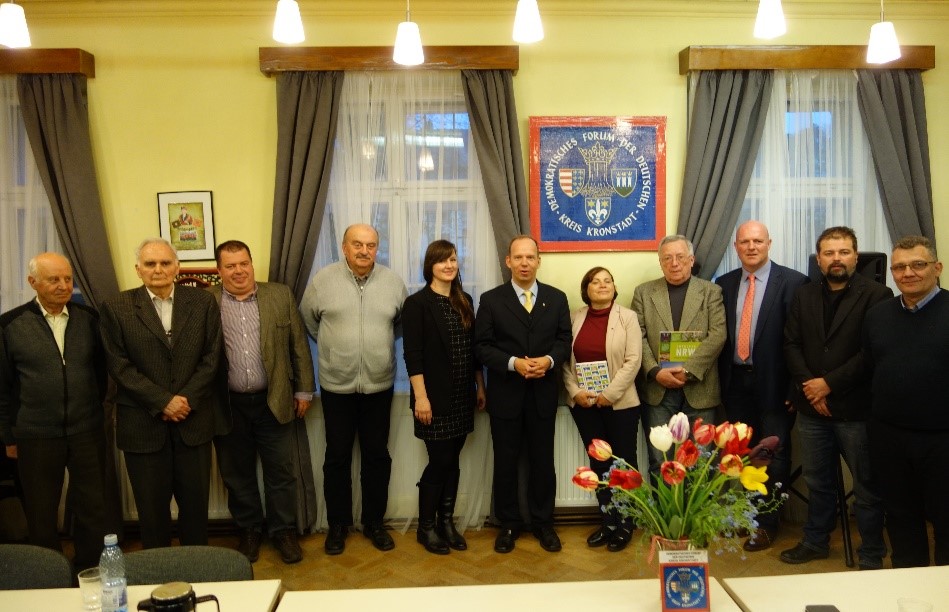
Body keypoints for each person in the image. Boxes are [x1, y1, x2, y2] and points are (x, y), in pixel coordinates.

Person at [100, 238, 223, 548]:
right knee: (152, 515)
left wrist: (185, 400)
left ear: (177, 267)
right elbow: (119, 366)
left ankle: (196, 571)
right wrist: (163, 401)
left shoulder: (203, 303)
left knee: (195, 512)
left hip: (192, 424)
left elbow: (212, 358)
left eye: (165, 263)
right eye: (150, 264)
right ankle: (157, 577)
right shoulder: (116, 308)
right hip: (143, 426)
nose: (158, 269)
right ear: (138, 270)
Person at [781, 226, 891, 568]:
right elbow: (792, 344)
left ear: (856, 256)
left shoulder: (878, 295)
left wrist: (828, 384)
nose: (836, 259)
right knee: (818, 481)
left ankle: (872, 551)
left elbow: (869, 353)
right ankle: (816, 541)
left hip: (855, 409)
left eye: (843, 252)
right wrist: (811, 389)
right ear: (819, 259)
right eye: (829, 253)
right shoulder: (805, 294)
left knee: (867, 486)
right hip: (812, 410)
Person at [300, 223, 408, 555]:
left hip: (379, 384)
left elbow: (399, 324)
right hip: (337, 386)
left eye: (371, 245)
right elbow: (310, 321)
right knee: (337, 458)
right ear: (344, 247)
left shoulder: (392, 283)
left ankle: (374, 523)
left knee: (377, 456)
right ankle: (338, 526)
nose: (364, 251)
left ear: (378, 248)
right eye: (357, 244)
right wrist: (337, 350)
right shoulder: (323, 281)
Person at [209, 240, 315, 564]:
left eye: (244, 263)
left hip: (274, 399)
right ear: (219, 271)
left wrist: (304, 391)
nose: (239, 271)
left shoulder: (279, 295)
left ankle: (283, 531)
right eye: (230, 266)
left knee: (281, 472)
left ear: (252, 264)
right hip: (227, 405)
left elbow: (298, 343)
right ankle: (250, 530)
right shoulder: (206, 302)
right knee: (236, 473)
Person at [0, 253, 108, 570]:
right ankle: (48, 571)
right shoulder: (10, 325)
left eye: (67, 278)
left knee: (92, 507)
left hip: (85, 431)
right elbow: (3, 386)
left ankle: (89, 568)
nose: (63, 286)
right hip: (34, 434)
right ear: (33, 282)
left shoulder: (89, 319)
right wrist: (8, 435)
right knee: (41, 510)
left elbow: (100, 375)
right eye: (53, 279)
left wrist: (90, 410)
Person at [715, 221, 809, 552]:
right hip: (735, 384)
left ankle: (767, 524)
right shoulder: (723, 284)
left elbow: (803, 340)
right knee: (740, 454)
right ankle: (746, 515)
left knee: (773, 456)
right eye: (745, 242)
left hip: (778, 386)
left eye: (758, 241)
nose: (751, 246)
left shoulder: (795, 282)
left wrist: (796, 388)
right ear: (736, 246)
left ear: (769, 243)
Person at [475, 235, 571, 554]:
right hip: (506, 397)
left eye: (530, 257)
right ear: (509, 261)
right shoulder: (491, 300)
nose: (525, 263)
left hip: (543, 396)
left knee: (543, 463)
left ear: (538, 260)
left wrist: (549, 360)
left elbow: (563, 341)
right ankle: (509, 524)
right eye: (519, 258)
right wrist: (514, 363)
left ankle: (544, 524)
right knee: (506, 464)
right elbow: (482, 347)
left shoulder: (557, 299)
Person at [863, 235, 948, 567]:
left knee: (946, 521)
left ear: (936, 268)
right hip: (890, 438)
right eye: (899, 267)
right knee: (900, 520)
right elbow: (872, 368)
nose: (908, 273)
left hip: (943, 441)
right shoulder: (877, 316)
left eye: (918, 264)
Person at [402, 240, 486, 555]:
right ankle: (426, 528)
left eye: (452, 259)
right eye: (442, 261)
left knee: (453, 462)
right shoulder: (417, 303)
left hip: (463, 397)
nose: (449, 265)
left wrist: (479, 386)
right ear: (430, 266)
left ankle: (446, 522)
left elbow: (473, 350)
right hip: (433, 400)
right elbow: (413, 355)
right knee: (439, 462)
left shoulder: (465, 300)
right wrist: (420, 398)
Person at [562, 266, 642, 552]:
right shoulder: (573, 318)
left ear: (614, 286)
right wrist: (575, 392)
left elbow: (633, 361)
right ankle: (608, 520)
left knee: (623, 463)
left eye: (608, 280)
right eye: (596, 281)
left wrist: (610, 393)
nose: (602, 285)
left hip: (620, 404)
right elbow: (564, 362)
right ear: (586, 289)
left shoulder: (628, 317)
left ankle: (626, 523)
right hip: (584, 405)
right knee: (599, 465)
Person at [631, 235, 726, 473]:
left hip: (700, 388)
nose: (674, 263)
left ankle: (697, 512)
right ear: (660, 262)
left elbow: (717, 335)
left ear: (691, 260)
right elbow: (637, 336)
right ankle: (665, 512)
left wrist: (687, 370)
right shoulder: (644, 293)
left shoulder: (711, 292)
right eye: (667, 258)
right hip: (658, 390)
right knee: (660, 462)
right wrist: (655, 371)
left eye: (680, 257)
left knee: (701, 463)